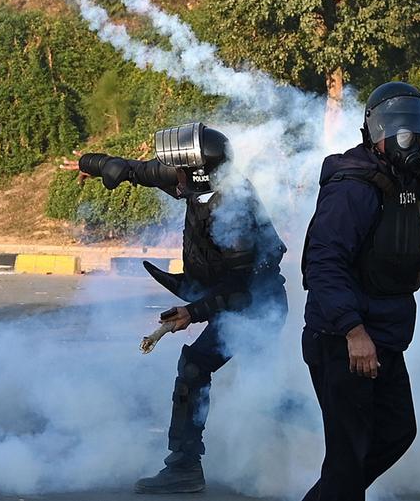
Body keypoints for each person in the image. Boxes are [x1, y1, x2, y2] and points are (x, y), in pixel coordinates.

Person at [62, 122, 288, 494]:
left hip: (256, 307)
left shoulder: (233, 206)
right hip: (231, 299)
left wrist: (193, 312)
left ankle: (185, 467)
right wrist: (93, 162)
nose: (173, 176)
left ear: (198, 172)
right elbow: (138, 171)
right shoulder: (198, 184)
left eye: (180, 169)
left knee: (207, 371)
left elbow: (240, 290)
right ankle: (344, 431)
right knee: (262, 390)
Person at [300, 82, 420, 500]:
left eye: (415, 125)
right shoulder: (352, 187)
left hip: (386, 338)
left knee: (396, 433)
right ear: (374, 133)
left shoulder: (401, 182)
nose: (409, 135)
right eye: (397, 125)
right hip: (346, 342)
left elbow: (405, 232)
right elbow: (323, 263)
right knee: (347, 460)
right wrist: (353, 332)